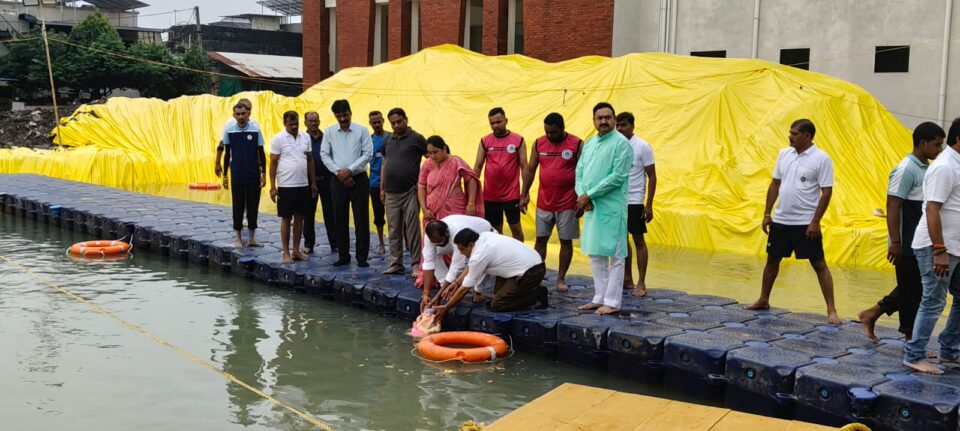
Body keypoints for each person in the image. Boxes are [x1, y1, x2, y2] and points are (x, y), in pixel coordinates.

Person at [745, 119, 841, 324]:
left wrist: (815, 222)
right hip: (781, 219)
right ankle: (763, 299)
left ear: (807, 136)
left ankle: (832, 310)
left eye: (795, 134)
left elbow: (826, 192)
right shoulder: (784, 154)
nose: (790, 137)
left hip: (805, 222)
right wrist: (767, 213)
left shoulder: (821, 159)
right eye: (790, 133)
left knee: (819, 264)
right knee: (772, 260)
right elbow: (775, 184)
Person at [858, 122, 944, 340]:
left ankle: (871, 314)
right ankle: (911, 340)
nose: (940, 149)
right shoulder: (906, 169)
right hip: (906, 241)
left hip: (922, 240)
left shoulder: (928, 168)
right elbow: (892, 205)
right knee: (914, 292)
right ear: (922, 143)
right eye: (936, 145)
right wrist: (896, 242)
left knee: (915, 287)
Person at [902, 118, 960, 375]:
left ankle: (949, 349)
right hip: (936, 247)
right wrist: (939, 250)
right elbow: (932, 209)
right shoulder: (945, 167)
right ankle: (914, 355)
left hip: (955, 246)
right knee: (933, 301)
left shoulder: (957, 165)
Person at [575, 102, 633, 315]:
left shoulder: (621, 143)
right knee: (595, 253)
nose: (603, 121)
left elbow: (618, 177)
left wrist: (589, 195)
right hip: (591, 206)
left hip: (611, 208)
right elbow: (579, 172)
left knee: (616, 255)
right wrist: (582, 196)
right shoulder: (590, 143)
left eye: (608, 117)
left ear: (614, 119)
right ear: (593, 121)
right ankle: (599, 297)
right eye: (599, 118)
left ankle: (613, 301)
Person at [520, 112, 582, 293]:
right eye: (546, 131)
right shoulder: (539, 143)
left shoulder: (577, 144)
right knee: (540, 240)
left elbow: (584, 173)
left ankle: (561, 278)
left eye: (553, 132)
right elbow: (531, 169)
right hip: (544, 202)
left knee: (565, 241)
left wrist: (583, 198)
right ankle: (536, 276)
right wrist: (524, 194)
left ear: (562, 128)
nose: (549, 135)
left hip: (568, 203)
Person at [432, 228, 548, 320]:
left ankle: (536, 295)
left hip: (532, 273)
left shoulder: (479, 255)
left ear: (470, 245)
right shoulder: (484, 235)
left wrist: (447, 307)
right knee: (498, 292)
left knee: (497, 304)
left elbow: (465, 288)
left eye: (462, 249)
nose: (461, 253)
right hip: (533, 262)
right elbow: (471, 267)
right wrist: (456, 282)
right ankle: (524, 290)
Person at [320, 99, 373, 267]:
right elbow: (324, 154)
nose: (343, 119)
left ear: (350, 113)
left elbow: (368, 154)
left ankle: (362, 257)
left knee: (361, 219)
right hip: (337, 180)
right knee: (339, 218)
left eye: (345, 115)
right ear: (335, 116)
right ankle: (343, 255)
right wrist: (339, 173)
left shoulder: (362, 130)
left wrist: (349, 170)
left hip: (359, 179)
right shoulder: (329, 132)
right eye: (339, 116)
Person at [380, 108, 427, 275]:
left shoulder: (417, 138)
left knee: (412, 229)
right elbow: (385, 163)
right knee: (393, 229)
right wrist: (382, 188)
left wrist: (423, 183)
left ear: (406, 119)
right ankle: (396, 263)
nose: (396, 125)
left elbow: (430, 158)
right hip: (390, 193)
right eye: (393, 123)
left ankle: (416, 264)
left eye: (399, 122)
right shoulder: (388, 140)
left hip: (410, 191)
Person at [268, 111, 317, 265]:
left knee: (300, 217)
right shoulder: (278, 139)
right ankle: (286, 253)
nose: (294, 126)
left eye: (296, 123)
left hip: (303, 184)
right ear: (285, 123)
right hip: (286, 185)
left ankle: (296, 250)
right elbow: (273, 163)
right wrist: (272, 186)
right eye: (291, 124)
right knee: (286, 218)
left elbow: (310, 160)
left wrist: (313, 183)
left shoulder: (306, 137)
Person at [616, 112, 657, 297]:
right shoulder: (615, 145)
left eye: (624, 125)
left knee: (638, 241)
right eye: (618, 125)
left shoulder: (642, 146)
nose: (620, 129)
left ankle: (641, 282)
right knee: (622, 241)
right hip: (618, 200)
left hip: (635, 201)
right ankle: (627, 278)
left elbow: (652, 176)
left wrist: (648, 205)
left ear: (632, 125)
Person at [419, 215, 493, 311]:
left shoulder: (457, 231)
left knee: (479, 260)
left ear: (446, 232)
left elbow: (456, 267)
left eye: (440, 241)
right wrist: (426, 293)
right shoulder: (430, 236)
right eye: (435, 243)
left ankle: (478, 290)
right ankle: (444, 284)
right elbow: (428, 262)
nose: (438, 245)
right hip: (454, 239)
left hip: (484, 235)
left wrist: (438, 296)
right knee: (434, 253)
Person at [474, 107, 527, 241]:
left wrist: (525, 193)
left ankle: (520, 253)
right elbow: (478, 167)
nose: (495, 125)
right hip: (490, 196)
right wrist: (472, 194)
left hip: (512, 196)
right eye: (492, 123)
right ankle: (500, 254)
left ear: (506, 121)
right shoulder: (485, 141)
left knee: (516, 228)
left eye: (499, 122)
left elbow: (524, 167)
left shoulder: (518, 140)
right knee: (495, 231)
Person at [220, 102, 266, 248]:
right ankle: (238, 238)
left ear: (248, 114)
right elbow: (227, 154)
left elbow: (261, 153)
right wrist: (225, 175)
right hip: (237, 175)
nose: (241, 116)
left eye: (243, 114)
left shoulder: (255, 129)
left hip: (253, 174)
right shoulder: (229, 131)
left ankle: (251, 238)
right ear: (234, 115)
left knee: (253, 206)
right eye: (238, 114)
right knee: (237, 206)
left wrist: (263, 173)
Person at [418, 136, 483, 223]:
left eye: (435, 152)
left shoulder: (455, 161)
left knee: (456, 230)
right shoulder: (427, 164)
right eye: (429, 153)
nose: (432, 156)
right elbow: (421, 187)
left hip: (455, 209)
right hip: (432, 212)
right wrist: (424, 209)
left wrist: (471, 203)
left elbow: (471, 179)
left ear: (444, 149)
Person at [302, 111, 338, 254]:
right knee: (308, 214)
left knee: (330, 212)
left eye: (316, 120)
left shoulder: (327, 137)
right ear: (305, 123)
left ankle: (335, 243)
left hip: (327, 179)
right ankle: (308, 244)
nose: (314, 123)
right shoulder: (302, 138)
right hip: (308, 181)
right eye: (311, 121)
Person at [216, 98, 253, 178]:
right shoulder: (230, 124)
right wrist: (217, 163)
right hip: (236, 164)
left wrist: (261, 167)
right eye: (246, 108)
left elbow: (258, 148)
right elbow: (222, 143)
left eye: (249, 109)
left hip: (252, 164)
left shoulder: (255, 125)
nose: (248, 111)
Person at [369, 111, 387, 254]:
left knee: (397, 216)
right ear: (370, 123)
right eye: (373, 122)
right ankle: (381, 242)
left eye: (378, 121)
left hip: (392, 183)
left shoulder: (391, 138)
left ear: (383, 121)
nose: (376, 124)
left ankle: (403, 241)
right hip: (375, 183)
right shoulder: (368, 141)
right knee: (378, 215)